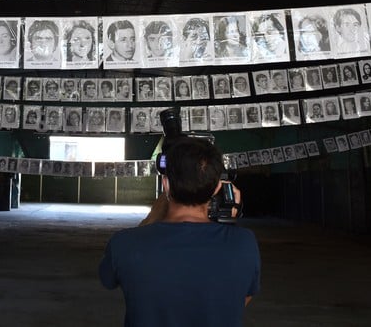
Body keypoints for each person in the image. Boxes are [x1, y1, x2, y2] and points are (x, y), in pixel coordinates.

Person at [100, 137, 259, 326]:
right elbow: (237, 301)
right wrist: (228, 222)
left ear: (166, 185)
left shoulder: (124, 244)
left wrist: (154, 213)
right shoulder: (244, 243)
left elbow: (108, 279)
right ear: (217, 187)